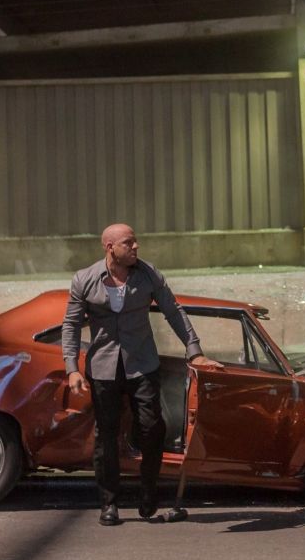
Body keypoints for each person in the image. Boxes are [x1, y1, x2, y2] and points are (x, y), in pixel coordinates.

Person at [62, 223, 219, 526]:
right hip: (103, 368)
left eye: (135, 242)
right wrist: (72, 368)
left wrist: (194, 350)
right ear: (110, 247)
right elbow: (70, 324)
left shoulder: (148, 274)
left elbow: (173, 310)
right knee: (106, 435)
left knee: (152, 427)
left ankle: (148, 492)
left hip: (142, 364)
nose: (135, 247)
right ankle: (109, 503)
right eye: (128, 243)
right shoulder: (85, 279)